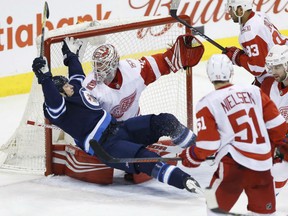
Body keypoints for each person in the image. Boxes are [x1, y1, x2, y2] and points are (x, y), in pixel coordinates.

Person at [32, 37, 201, 193]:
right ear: (60, 93)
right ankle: (184, 180)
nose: (71, 86)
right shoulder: (59, 110)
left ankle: (199, 149)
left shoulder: (78, 88)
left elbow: (75, 73)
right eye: (66, 87)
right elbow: (53, 102)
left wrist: (70, 56)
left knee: (165, 120)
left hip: (122, 127)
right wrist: (45, 78)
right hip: (106, 145)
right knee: (147, 159)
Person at [179, 54, 287, 215]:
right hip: (263, 166)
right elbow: (278, 127)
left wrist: (190, 156)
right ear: (231, 72)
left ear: (209, 76)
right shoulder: (254, 91)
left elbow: (208, 145)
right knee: (264, 213)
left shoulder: (207, 102)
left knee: (212, 205)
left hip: (233, 166)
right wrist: (281, 150)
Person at [82, 34, 204, 121]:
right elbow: (87, 119)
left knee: (165, 122)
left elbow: (159, 64)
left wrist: (173, 58)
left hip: (135, 123)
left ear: (114, 64)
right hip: (107, 133)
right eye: (97, 65)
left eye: (103, 66)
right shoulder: (90, 87)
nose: (98, 70)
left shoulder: (133, 70)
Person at [223, 0, 288, 87]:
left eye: (231, 8)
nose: (229, 12)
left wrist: (237, 57)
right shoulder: (260, 15)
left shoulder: (249, 32)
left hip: (278, 73)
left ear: (240, 9)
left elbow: (257, 68)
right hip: (283, 62)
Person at [261, 44, 288, 195]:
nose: (273, 72)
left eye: (277, 67)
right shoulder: (268, 84)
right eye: (271, 67)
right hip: (277, 141)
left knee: (279, 172)